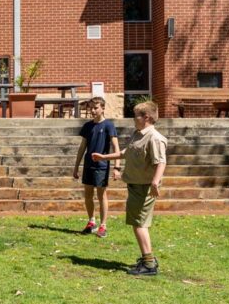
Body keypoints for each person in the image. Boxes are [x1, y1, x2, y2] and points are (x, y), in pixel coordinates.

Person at [91, 100, 168, 276]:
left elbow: (161, 162)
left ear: (146, 117)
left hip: (144, 188)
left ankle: (149, 263)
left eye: (136, 116)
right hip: (134, 185)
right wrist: (104, 157)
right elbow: (126, 153)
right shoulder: (138, 134)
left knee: (139, 224)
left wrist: (155, 182)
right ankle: (147, 259)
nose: (133, 119)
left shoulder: (154, 138)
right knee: (137, 224)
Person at [72, 97, 120, 238]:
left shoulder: (109, 125)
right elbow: (82, 147)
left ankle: (103, 225)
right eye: (91, 108)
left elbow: (116, 147)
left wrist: (117, 167)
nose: (93, 110)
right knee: (88, 194)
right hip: (88, 165)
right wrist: (76, 167)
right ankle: (91, 222)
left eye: (96, 108)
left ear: (103, 108)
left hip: (102, 166)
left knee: (101, 195)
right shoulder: (87, 126)